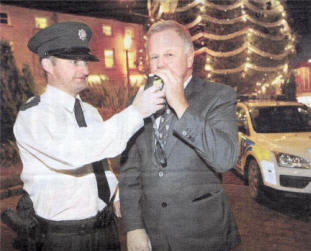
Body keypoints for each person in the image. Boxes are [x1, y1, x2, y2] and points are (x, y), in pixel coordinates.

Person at [12, 21, 165, 251]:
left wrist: (114, 194)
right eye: (74, 62)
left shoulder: (89, 112)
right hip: (65, 238)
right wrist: (135, 112)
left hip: (105, 230)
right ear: (47, 64)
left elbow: (98, 162)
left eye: (85, 62)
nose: (84, 70)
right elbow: (73, 152)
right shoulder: (34, 115)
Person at [119, 20, 241, 251]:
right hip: (154, 232)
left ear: (189, 58)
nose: (160, 64)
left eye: (169, 54)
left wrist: (181, 105)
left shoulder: (218, 96)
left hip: (204, 233)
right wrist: (133, 227)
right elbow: (129, 172)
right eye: (154, 57)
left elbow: (225, 159)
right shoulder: (138, 102)